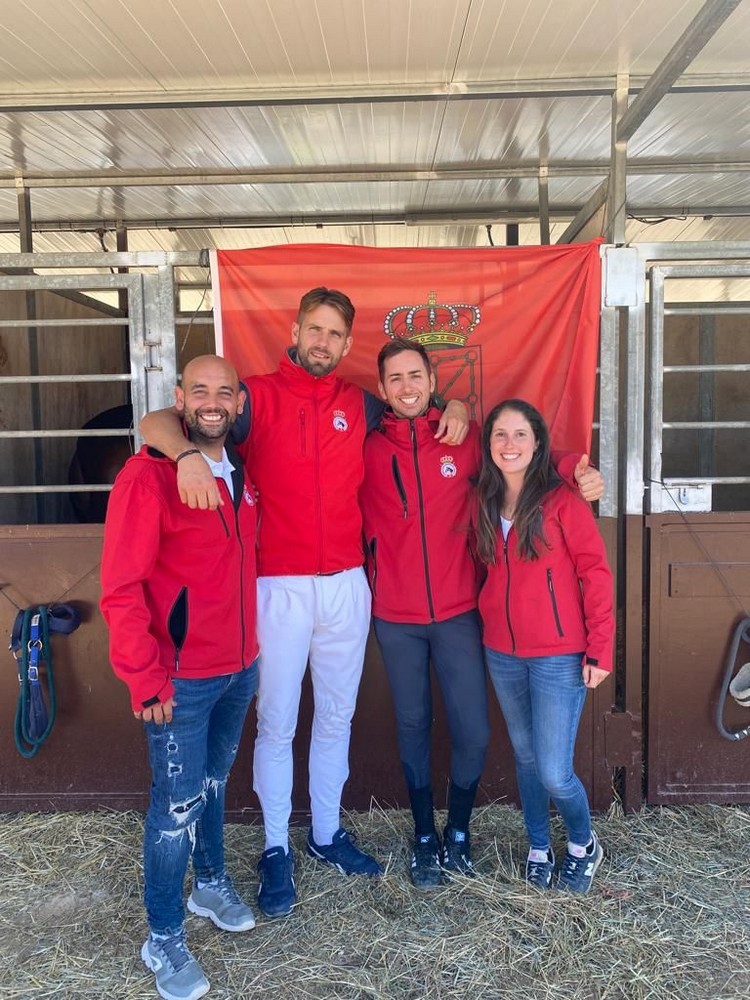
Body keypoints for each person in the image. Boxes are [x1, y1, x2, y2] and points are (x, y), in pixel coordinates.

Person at [139, 288, 469, 919]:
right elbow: (154, 423)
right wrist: (181, 456)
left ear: (348, 344)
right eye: (313, 329)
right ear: (295, 330)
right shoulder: (254, 396)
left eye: (335, 334)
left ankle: (323, 834)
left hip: (347, 583)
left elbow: (420, 411)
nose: (322, 342)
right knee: (279, 722)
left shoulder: (361, 404)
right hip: (276, 586)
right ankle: (273, 848)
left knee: (336, 718)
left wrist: (454, 401)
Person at [360, 343, 605, 889]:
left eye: (415, 376)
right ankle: (425, 836)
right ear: (381, 389)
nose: (406, 387)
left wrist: (575, 469)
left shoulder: (467, 440)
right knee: (412, 724)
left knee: (472, 729)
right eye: (394, 378)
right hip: (395, 616)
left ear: (432, 380)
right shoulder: (365, 444)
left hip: (460, 614)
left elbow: (528, 456)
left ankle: (460, 833)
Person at [100, 355, 259, 1000]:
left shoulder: (239, 469)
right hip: (180, 679)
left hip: (239, 667)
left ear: (240, 402)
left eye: (225, 391)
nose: (213, 402)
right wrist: (145, 679)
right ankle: (162, 936)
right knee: (174, 807)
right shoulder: (148, 477)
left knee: (213, 785)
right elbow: (121, 587)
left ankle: (210, 884)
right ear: (180, 399)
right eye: (200, 391)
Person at [476, 399, 613, 894]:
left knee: (555, 770)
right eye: (499, 435)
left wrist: (600, 648)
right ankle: (539, 844)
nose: (508, 445)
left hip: (558, 654)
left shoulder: (562, 500)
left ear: (537, 443)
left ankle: (582, 843)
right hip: (502, 652)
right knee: (526, 756)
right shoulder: (486, 499)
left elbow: (595, 574)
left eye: (519, 435)